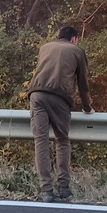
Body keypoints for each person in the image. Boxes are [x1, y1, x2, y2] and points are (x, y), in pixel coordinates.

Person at [28, 26, 94, 202]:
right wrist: (87, 107)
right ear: (74, 39)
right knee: (62, 140)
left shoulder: (45, 48)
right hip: (60, 98)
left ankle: (46, 191)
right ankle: (64, 187)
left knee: (40, 141)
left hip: (37, 95)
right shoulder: (77, 51)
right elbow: (83, 84)